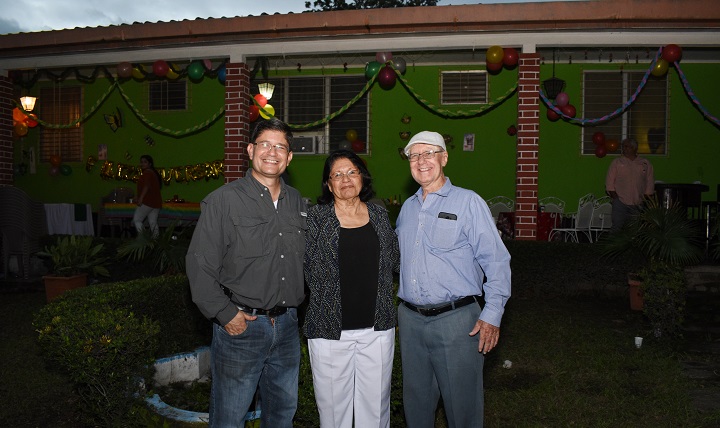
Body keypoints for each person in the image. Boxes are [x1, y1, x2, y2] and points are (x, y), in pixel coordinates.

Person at [185, 118, 307, 428]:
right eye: (265, 144)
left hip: (288, 327)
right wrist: (225, 314)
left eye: (281, 147)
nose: (272, 152)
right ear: (250, 150)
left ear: (289, 157)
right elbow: (199, 266)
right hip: (242, 327)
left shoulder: (298, 202)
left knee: (282, 414)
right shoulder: (224, 200)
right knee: (229, 417)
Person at [395, 130, 512, 428]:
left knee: (463, 409)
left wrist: (493, 315)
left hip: (458, 321)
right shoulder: (407, 209)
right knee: (416, 405)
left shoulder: (468, 203)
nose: (422, 161)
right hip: (410, 321)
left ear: (444, 157)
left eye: (429, 153)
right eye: (414, 155)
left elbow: (496, 260)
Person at [303, 149, 400, 428]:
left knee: (376, 410)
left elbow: (395, 260)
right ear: (328, 183)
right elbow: (302, 266)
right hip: (329, 331)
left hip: (377, 330)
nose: (345, 179)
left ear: (362, 178)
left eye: (352, 172)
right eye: (337, 174)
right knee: (334, 414)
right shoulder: (315, 219)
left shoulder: (380, 216)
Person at [605, 138, 655, 232]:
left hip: (637, 203)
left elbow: (650, 182)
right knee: (617, 227)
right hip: (620, 202)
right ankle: (613, 246)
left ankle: (632, 246)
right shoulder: (617, 162)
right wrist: (616, 199)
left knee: (634, 229)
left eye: (626, 146)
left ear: (634, 148)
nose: (624, 149)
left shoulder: (644, 163)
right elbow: (609, 182)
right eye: (623, 147)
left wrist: (645, 199)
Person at [133, 154, 162, 237]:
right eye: (141, 162)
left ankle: (144, 238)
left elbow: (146, 186)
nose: (142, 164)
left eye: (145, 162)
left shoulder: (147, 173)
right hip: (156, 203)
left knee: (137, 220)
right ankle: (156, 240)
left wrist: (141, 198)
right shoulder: (153, 173)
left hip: (147, 202)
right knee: (153, 222)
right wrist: (138, 196)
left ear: (150, 164)